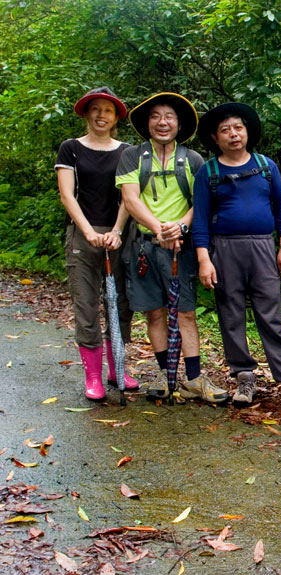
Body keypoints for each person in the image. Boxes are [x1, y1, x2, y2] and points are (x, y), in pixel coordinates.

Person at [193, 102, 281, 408]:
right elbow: (200, 218)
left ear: (247, 132)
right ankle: (243, 377)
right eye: (225, 130)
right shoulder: (208, 171)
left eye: (238, 128)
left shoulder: (266, 166)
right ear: (216, 138)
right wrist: (204, 259)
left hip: (262, 247)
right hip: (223, 249)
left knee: (271, 312)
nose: (233, 134)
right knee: (230, 314)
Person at [116, 92, 229, 404]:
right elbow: (130, 199)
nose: (162, 122)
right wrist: (159, 229)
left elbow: (201, 203)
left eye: (169, 117)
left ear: (179, 124)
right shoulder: (132, 156)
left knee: (186, 313)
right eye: (155, 116)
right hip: (144, 247)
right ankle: (165, 375)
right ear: (147, 123)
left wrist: (179, 227)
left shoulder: (192, 160)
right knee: (155, 313)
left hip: (181, 248)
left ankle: (193, 379)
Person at [56, 87, 139, 400]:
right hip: (82, 234)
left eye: (108, 110)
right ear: (86, 114)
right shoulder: (71, 148)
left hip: (119, 234)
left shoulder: (127, 151)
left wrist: (117, 230)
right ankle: (93, 376)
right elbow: (67, 194)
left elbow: (129, 196)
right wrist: (89, 231)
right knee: (86, 304)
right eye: (95, 109)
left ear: (116, 117)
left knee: (121, 303)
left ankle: (117, 368)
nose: (101, 115)